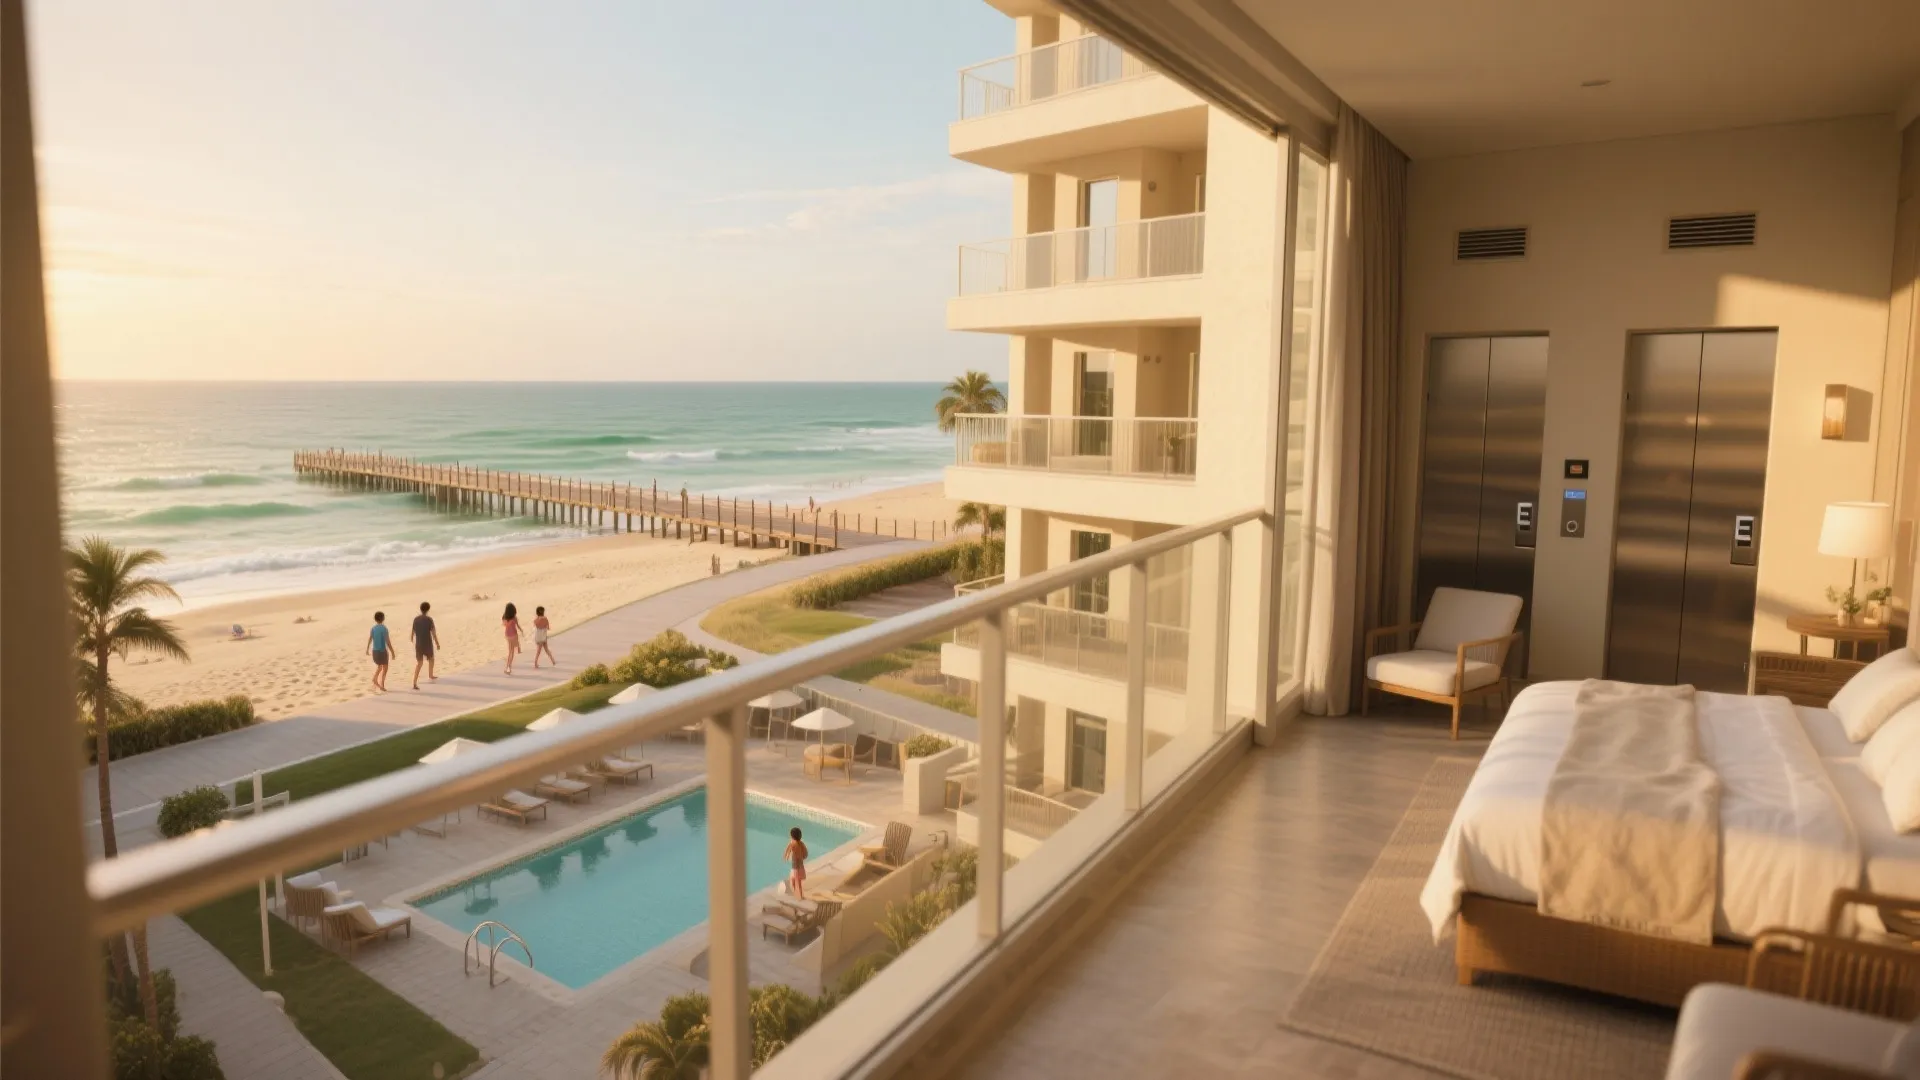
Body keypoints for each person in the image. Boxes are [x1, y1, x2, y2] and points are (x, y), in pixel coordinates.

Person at [410, 601, 440, 690]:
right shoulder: (429, 619)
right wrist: (437, 643)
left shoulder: (416, 619)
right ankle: (431, 675)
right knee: (431, 659)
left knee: (419, 663)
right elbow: (433, 633)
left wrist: (412, 637)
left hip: (418, 644)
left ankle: (414, 682)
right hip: (427, 644)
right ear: (428, 609)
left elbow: (413, 631)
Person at [366, 611, 392, 692]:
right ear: (383, 618)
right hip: (382, 651)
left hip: (375, 651)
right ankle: (382, 684)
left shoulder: (373, 628)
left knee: (380, 666)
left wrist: (367, 649)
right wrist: (392, 652)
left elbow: (370, 639)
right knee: (385, 667)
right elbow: (388, 642)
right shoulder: (384, 628)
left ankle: (374, 679)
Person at [783, 827, 808, 901]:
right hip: (800, 866)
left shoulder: (792, 843)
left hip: (795, 867)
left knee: (796, 882)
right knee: (796, 881)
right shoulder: (801, 843)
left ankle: (799, 897)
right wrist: (803, 856)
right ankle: (798, 895)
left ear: (792, 836)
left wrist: (786, 856)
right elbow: (805, 852)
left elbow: (788, 849)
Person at [501, 602, 523, 675]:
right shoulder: (514, 617)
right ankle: (509, 667)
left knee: (510, 651)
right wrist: (521, 630)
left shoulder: (504, 617)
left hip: (507, 635)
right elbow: (517, 625)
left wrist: (507, 623)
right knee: (512, 652)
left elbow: (504, 625)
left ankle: (508, 666)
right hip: (513, 635)